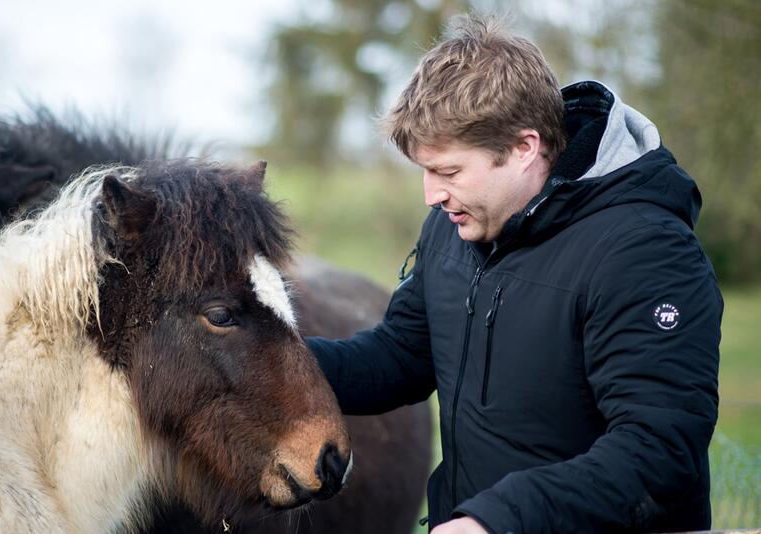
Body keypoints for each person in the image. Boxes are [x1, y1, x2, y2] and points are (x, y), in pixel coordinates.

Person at [305, 14, 722, 534]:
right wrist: (271, 363)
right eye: (426, 172)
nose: (431, 195)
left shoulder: (646, 251)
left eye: (448, 172)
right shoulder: (453, 225)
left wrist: (495, 520)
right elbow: (400, 356)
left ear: (524, 149)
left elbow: (660, 450)